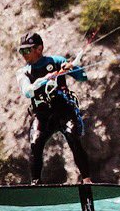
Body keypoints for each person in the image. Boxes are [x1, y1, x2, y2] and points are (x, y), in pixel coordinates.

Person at [18, 31, 93, 185]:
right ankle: (36, 183)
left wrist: (72, 68)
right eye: (21, 51)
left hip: (64, 111)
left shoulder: (57, 61)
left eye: (27, 50)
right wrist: (44, 80)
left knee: (73, 138)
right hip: (43, 115)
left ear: (39, 49)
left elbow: (83, 77)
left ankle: (87, 180)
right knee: (35, 143)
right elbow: (27, 92)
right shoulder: (23, 72)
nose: (24, 54)